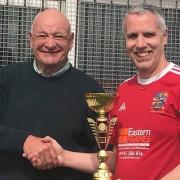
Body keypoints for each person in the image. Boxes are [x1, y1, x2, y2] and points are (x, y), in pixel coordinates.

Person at [32, 3, 180, 180]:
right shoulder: (124, 90)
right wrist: (63, 156)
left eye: (148, 34)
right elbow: (115, 160)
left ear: (165, 37)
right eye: (133, 36)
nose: (140, 44)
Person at [0, 8, 104, 180]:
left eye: (58, 36)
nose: (50, 43)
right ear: (30, 39)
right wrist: (25, 142)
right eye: (42, 35)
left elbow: (102, 156)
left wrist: (62, 157)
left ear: (71, 41)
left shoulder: (91, 91)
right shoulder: (5, 78)